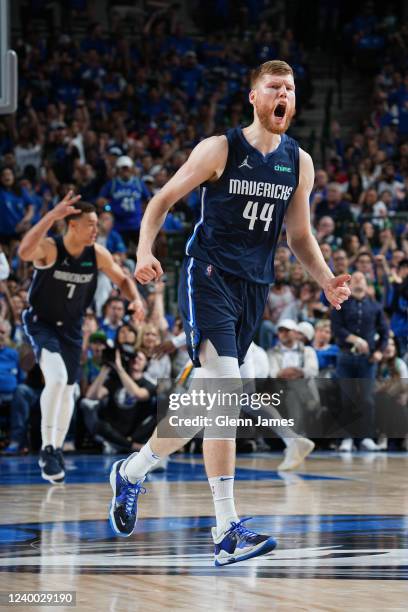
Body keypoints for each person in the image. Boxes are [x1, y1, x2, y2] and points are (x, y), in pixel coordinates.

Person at [109, 60, 350, 566]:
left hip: (253, 288)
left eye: (290, 87)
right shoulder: (220, 149)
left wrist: (326, 279)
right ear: (254, 97)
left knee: (204, 407)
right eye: (274, 87)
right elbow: (162, 198)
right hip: (209, 276)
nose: (283, 94)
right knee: (225, 392)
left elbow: (299, 235)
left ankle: (132, 471)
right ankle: (225, 531)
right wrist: (144, 252)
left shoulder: (298, 162)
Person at [18, 192, 144, 483]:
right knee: (58, 380)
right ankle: (48, 448)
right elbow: (24, 252)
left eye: (97, 224)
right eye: (90, 224)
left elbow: (122, 279)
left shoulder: (97, 253)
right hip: (43, 324)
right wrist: (51, 215)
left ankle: (56, 449)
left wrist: (135, 299)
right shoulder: (50, 249)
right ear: (72, 225)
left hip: (73, 329)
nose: (96, 230)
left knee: (69, 389)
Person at [331, 271, 389, 452]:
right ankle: (346, 438)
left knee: (367, 400)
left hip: (367, 360)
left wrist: (379, 352)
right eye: (354, 278)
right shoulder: (341, 304)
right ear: (349, 284)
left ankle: (366, 438)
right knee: (346, 399)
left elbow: (385, 333)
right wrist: (355, 339)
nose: (357, 281)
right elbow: (336, 328)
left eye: (361, 278)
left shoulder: (375, 307)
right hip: (346, 357)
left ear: (367, 284)